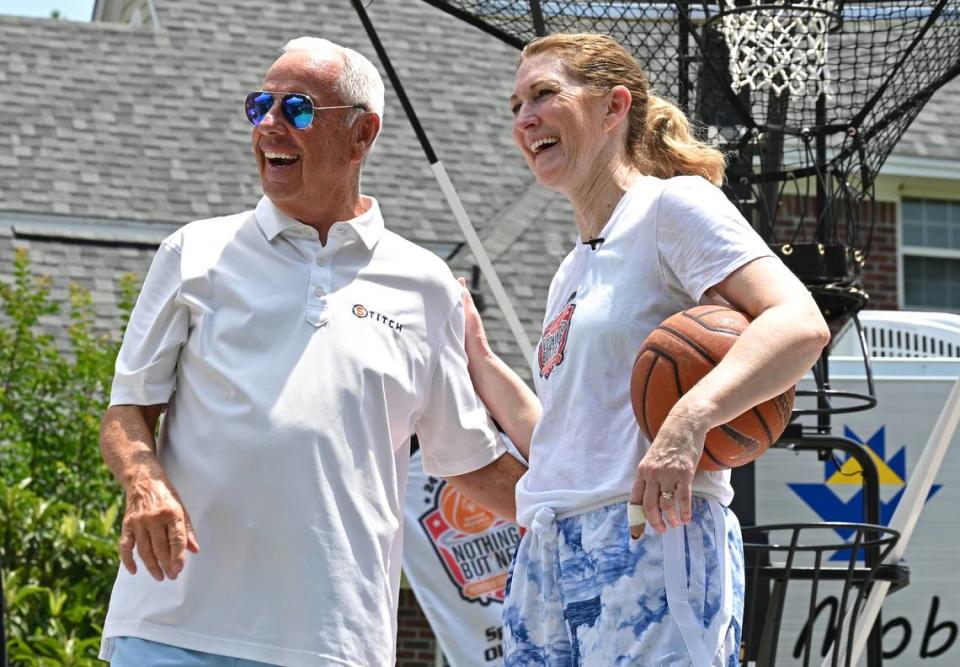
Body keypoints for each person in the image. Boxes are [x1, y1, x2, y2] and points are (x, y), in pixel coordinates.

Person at [97, 36, 525, 666]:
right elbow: (126, 410)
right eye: (259, 106)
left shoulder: (427, 284)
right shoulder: (192, 253)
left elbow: (469, 465)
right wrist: (144, 482)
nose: (270, 124)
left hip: (335, 642)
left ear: (362, 134)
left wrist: (597, 504)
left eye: (296, 108)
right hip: (171, 626)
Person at [461, 33, 831, 666]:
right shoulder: (569, 271)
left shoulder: (672, 207)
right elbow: (565, 438)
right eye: (515, 104)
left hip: (652, 534)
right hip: (549, 548)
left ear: (614, 107)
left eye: (544, 94)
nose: (525, 117)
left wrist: (690, 418)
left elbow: (800, 322)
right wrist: (478, 358)